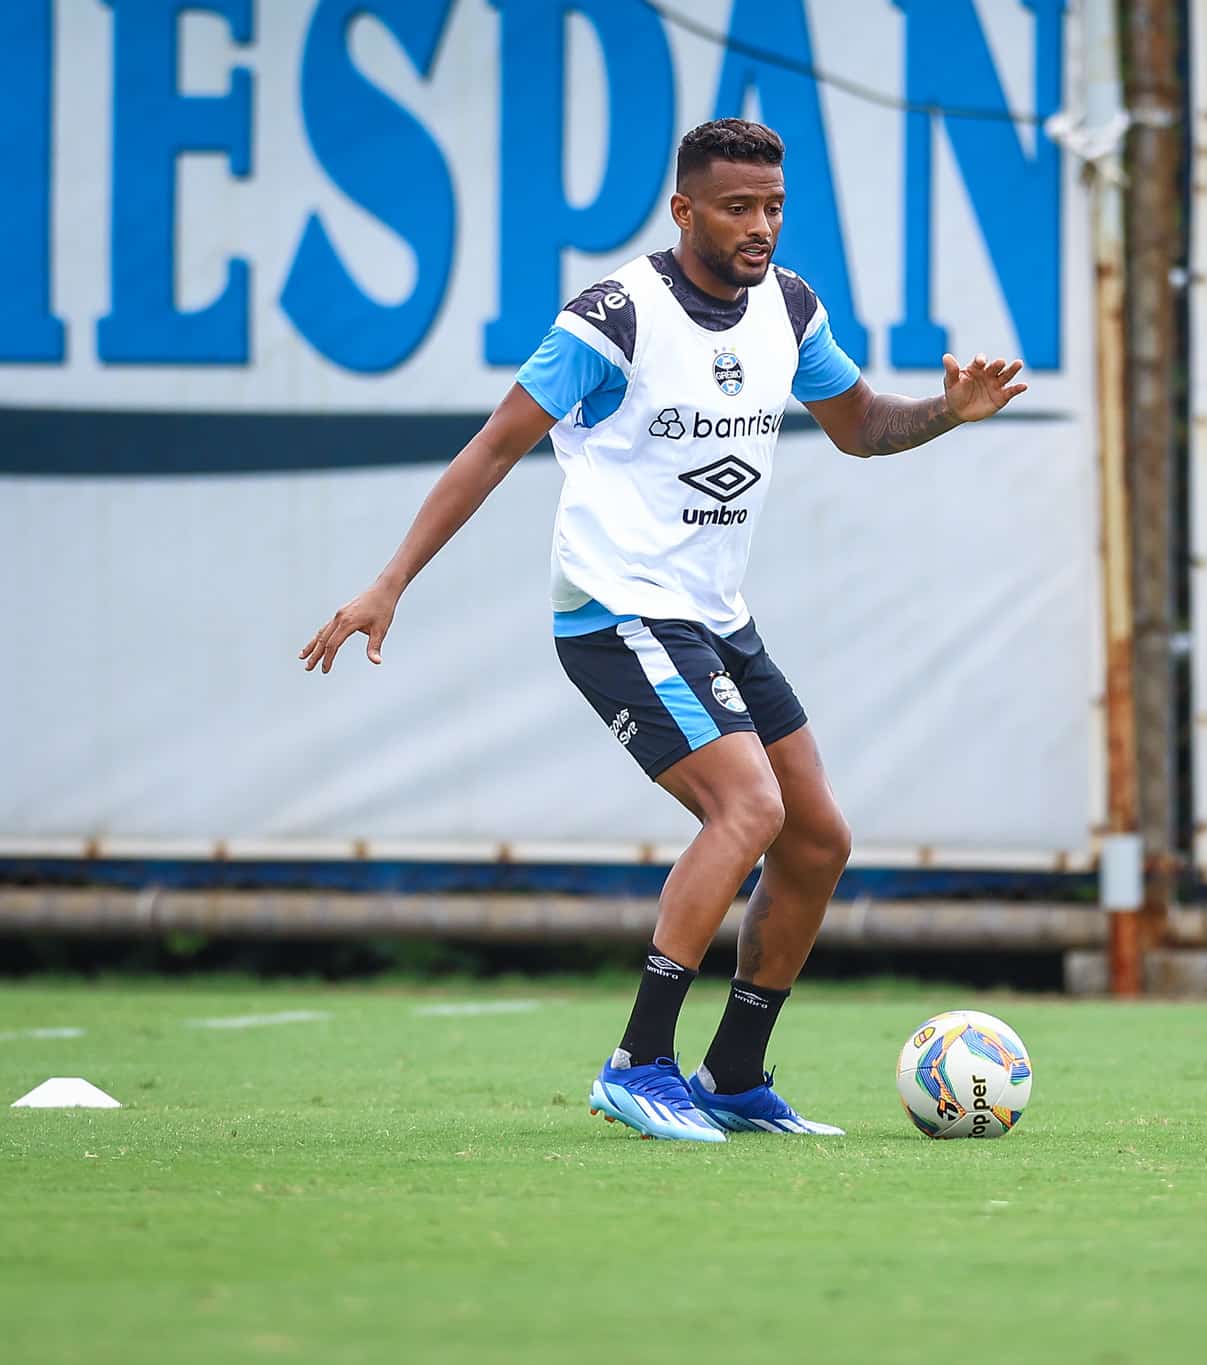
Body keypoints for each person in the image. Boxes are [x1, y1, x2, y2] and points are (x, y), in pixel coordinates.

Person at [301, 119, 1027, 1142]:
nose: (760, 227)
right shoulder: (614, 317)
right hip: (616, 609)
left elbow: (860, 426)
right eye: (737, 208)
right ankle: (638, 1063)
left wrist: (948, 411)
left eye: (773, 207)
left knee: (817, 839)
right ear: (684, 210)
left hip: (714, 618)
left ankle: (732, 1075)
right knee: (748, 810)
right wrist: (389, 582)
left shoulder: (789, 307)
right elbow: (494, 447)